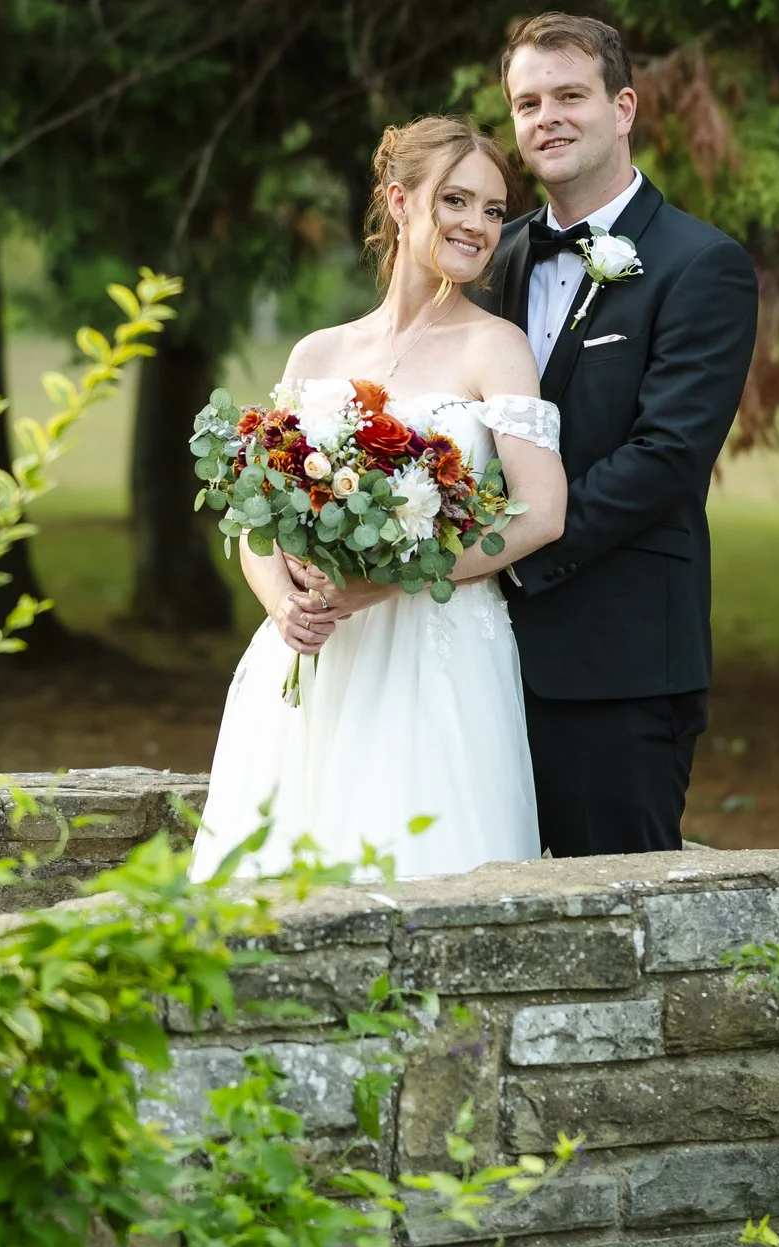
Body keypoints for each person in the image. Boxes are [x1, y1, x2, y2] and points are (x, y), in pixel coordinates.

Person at [191, 117, 569, 881]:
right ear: (399, 200)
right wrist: (280, 603)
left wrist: (385, 581)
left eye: (494, 210)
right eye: (455, 200)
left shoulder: (494, 346)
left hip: (437, 654)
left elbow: (541, 512)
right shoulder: (319, 352)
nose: (477, 225)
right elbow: (257, 517)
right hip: (315, 655)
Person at [465, 12, 758, 856]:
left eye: (569, 95)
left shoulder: (700, 265)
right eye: (527, 103)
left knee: (616, 911)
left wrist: (514, 539)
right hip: (478, 660)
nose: (546, 117)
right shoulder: (493, 256)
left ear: (623, 108)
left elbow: (666, 458)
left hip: (618, 666)